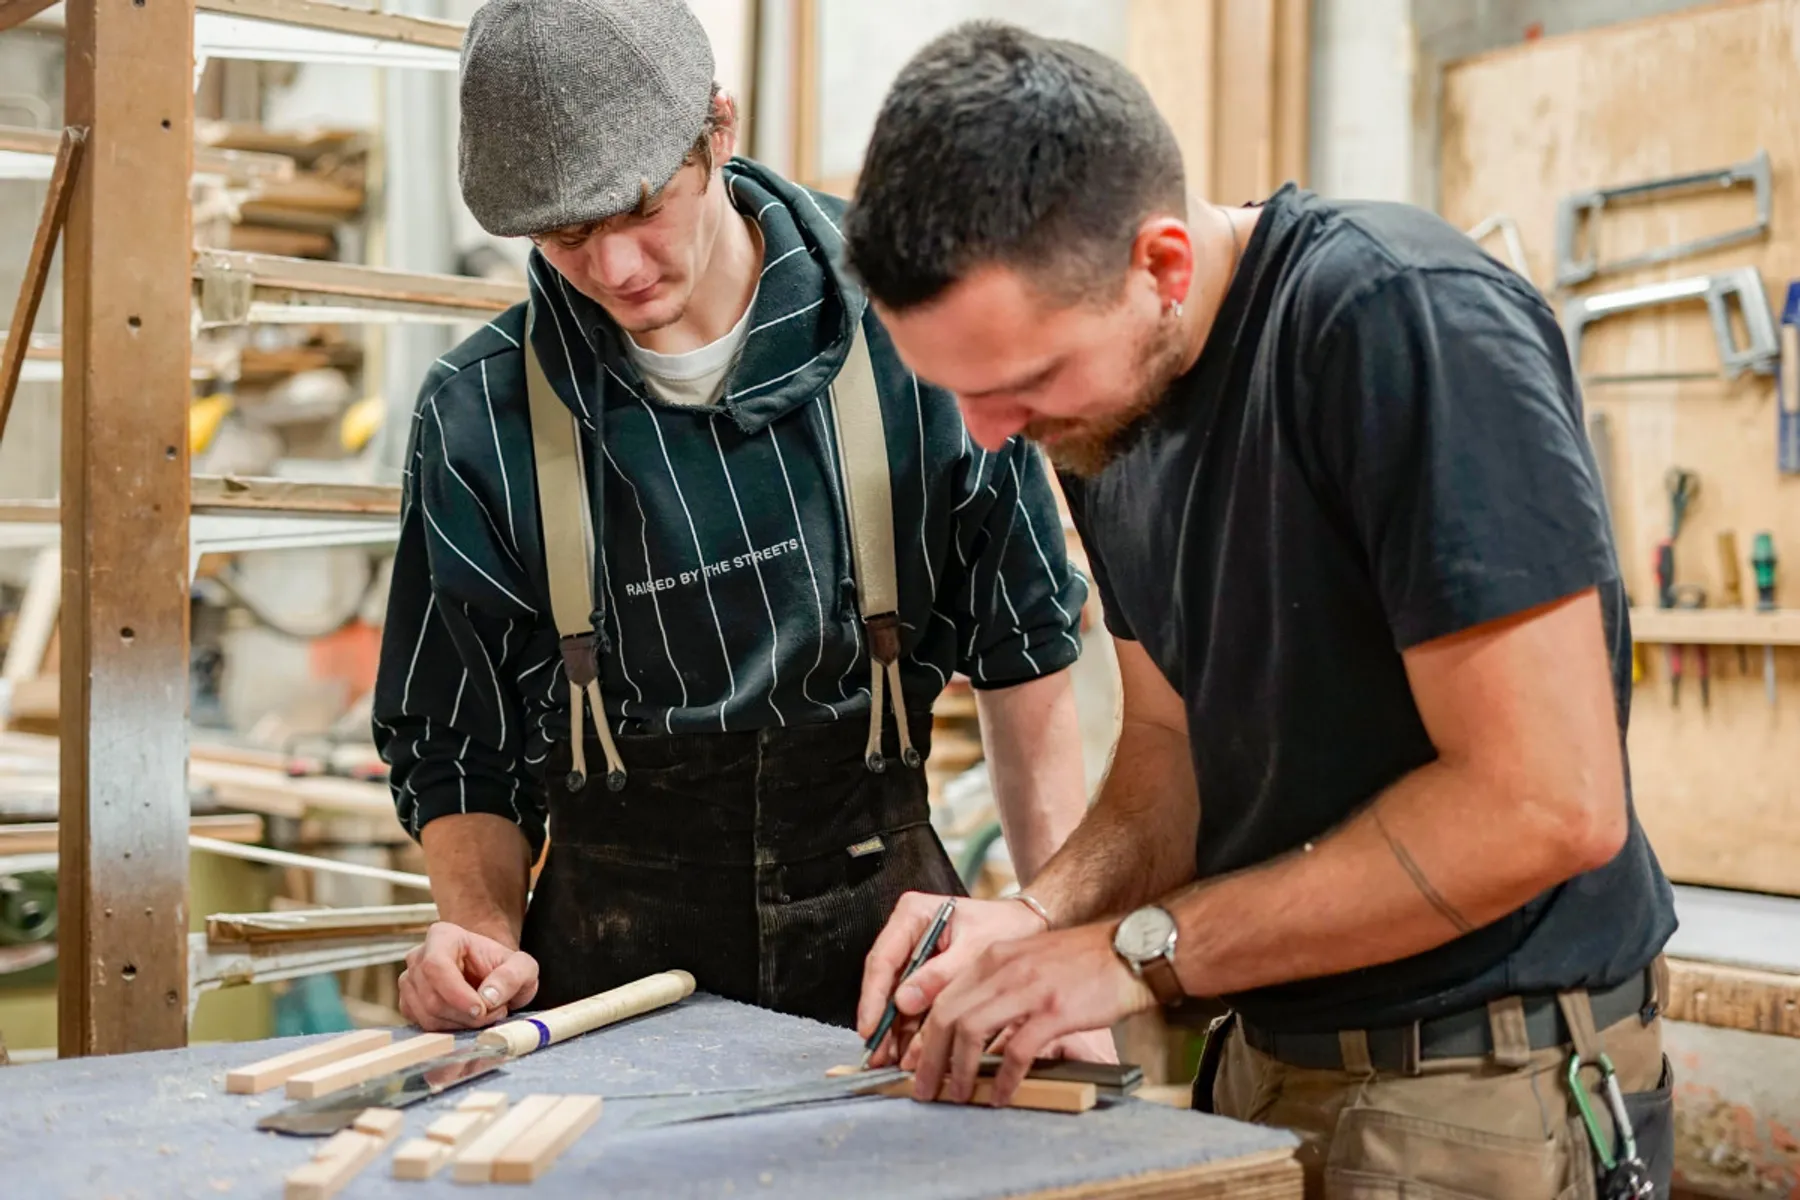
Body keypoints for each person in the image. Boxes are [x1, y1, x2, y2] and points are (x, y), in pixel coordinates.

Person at [844, 22, 1677, 1198]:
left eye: (1024, 383)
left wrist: (1143, 952)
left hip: (1477, 1099)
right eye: (964, 395)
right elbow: (1170, 752)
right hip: (1270, 1067)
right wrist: (1036, 920)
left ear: (1164, 266)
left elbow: (1547, 804)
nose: (990, 434)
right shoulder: (1106, 414)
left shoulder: (1395, 321)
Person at [371, 0, 1092, 1035]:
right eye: (568, 235)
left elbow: (1026, 656)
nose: (617, 269)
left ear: (720, 128)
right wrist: (477, 932)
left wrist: (1059, 957)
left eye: (641, 208)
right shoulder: (478, 413)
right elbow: (459, 740)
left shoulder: (912, 324)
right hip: (606, 972)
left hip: (887, 953)